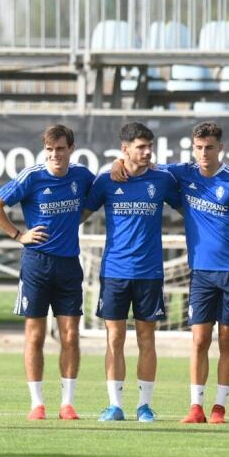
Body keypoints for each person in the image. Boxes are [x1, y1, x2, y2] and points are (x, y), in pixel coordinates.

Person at [112, 121, 229, 424]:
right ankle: (196, 407)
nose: (204, 153)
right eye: (199, 147)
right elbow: (143, 163)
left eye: (210, 148)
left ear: (221, 148)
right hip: (201, 272)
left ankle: (219, 407)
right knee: (200, 340)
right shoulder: (182, 173)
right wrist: (117, 161)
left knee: (227, 340)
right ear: (193, 148)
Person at [0, 125, 95, 421]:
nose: (55, 155)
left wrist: (75, 220)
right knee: (35, 335)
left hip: (69, 265)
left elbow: (97, 198)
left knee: (70, 335)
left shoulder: (82, 176)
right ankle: (37, 403)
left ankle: (67, 403)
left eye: (60, 149)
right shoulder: (32, 176)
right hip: (37, 265)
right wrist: (18, 234)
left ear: (71, 149)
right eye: (50, 150)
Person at [81, 122, 180, 422]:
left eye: (150, 146)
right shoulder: (105, 181)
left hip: (149, 272)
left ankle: (144, 406)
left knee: (146, 338)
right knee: (114, 338)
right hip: (114, 271)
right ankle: (115, 406)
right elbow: (80, 215)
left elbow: (189, 207)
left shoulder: (162, 179)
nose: (147, 152)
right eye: (141, 147)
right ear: (124, 149)